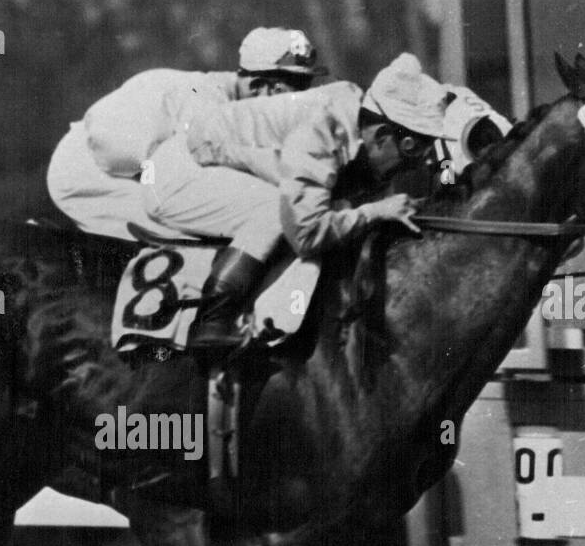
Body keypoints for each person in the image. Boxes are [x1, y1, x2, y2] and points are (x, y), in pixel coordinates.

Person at [141, 53, 453, 351]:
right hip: (178, 172)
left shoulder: (355, 120)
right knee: (276, 211)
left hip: (216, 155)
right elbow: (306, 234)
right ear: (383, 135)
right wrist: (373, 211)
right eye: (410, 154)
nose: (411, 167)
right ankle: (213, 320)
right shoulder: (320, 133)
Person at [46, 27, 328, 241]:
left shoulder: (227, 99)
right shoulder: (205, 102)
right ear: (260, 86)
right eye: (296, 89)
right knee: (187, 234)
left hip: (126, 161)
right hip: (88, 171)